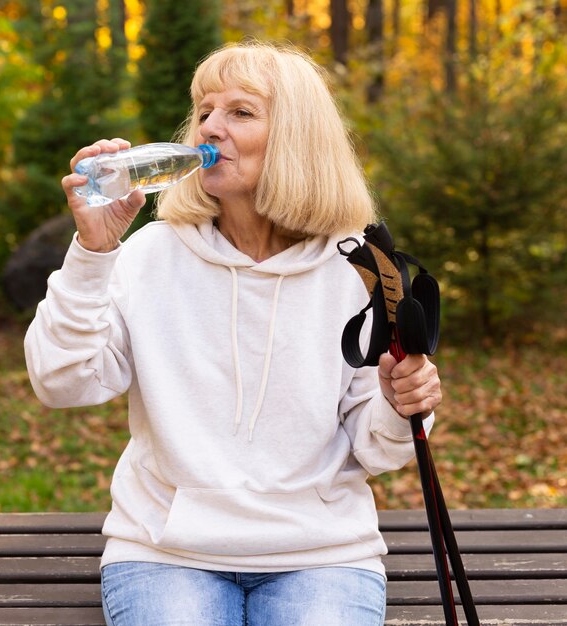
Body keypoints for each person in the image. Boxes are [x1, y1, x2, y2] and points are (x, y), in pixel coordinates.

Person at [25, 41, 441, 626]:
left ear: (296, 138)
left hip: (322, 555)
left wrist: (404, 406)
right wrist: (95, 249)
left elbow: (376, 445)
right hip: (166, 555)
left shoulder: (361, 268)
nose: (210, 127)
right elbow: (61, 382)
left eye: (240, 112)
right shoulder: (148, 256)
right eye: (204, 111)